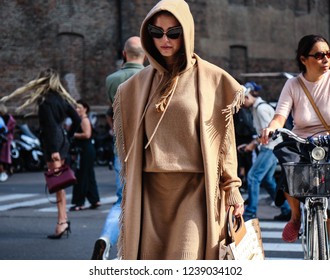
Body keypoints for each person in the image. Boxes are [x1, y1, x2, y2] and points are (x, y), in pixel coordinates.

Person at [113, 0, 245, 260]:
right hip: (150, 191)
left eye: (174, 32)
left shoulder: (212, 79)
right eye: (156, 32)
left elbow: (224, 140)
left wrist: (232, 187)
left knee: (187, 260)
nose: (165, 39)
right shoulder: (135, 86)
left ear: (187, 33)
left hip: (195, 189)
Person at [261, 34, 330, 242]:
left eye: (328, 54)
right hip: (302, 142)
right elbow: (280, 116)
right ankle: (295, 215)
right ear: (303, 59)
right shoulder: (293, 85)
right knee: (287, 159)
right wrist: (271, 129)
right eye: (319, 55)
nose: (326, 59)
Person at [0, 68, 81, 239]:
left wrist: (53, 150)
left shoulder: (45, 103)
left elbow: (50, 127)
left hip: (53, 143)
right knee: (60, 183)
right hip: (61, 140)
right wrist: (69, 136)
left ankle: (62, 222)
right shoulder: (61, 99)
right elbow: (77, 119)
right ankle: (63, 220)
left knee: (58, 184)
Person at [91, 36, 145, 260]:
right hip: (145, 149)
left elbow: (113, 112)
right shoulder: (152, 77)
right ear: (146, 55)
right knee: (145, 202)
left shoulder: (112, 80)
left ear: (124, 54)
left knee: (121, 200)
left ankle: (106, 238)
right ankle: (129, 251)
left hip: (120, 148)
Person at [239, 82, 291, 221]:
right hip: (271, 148)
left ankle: (250, 212)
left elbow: (269, 134)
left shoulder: (261, 109)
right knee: (268, 181)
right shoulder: (257, 109)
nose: (241, 103)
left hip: (270, 148)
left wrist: (253, 144)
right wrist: (251, 144)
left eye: (242, 99)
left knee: (253, 177)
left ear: (248, 96)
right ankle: (287, 210)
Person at [70, 100, 101, 211]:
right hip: (85, 150)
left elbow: (87, 134)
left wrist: (73, 134)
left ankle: (79, 203)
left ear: (85, 109)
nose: (76, 110)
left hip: (85, 150)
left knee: (81, 176)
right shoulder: (81, 119)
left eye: (79, 108)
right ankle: (94, 200)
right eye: (76, 108)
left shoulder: (84, 120)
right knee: (88, 175)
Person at [0, 104, 16, 181]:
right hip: (4, 137)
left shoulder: (7, 117)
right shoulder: (6, 117)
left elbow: (9, 128)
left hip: (6, 138)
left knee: (5, 155)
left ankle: (6, 170)